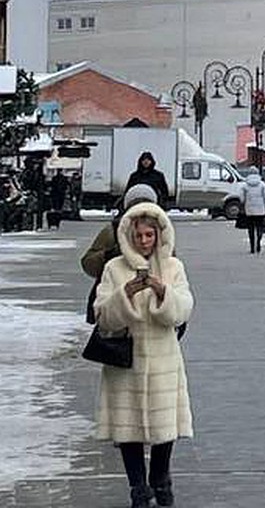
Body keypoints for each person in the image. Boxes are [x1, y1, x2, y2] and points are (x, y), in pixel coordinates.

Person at [94, 201, 193, 508]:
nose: (144, 242)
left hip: (164, 356)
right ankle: (138, 487)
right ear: (128, 235)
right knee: (129, 428)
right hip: (126, 360)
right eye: (138, 236)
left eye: (150, 235)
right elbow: (102, 316)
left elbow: (184, 309)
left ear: (160, 234)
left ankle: (160, 478)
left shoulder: (173, 267)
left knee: (166, 427)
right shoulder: (114, 268)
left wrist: (163, 292)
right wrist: (127, 294)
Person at [82, 185, 160, 320]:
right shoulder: (113, 230)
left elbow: (171, 265)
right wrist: (109, 255)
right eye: (135, 204)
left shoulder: (161, 231)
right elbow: (88, 263)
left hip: (152, 304)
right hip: (118, 302)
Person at [239, 165, 265, 254]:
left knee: (251, 229)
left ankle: (252, 247)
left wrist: (243, 205)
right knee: (259, 227)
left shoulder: (245, 185)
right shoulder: (262, 184)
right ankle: (258, 242)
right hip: (260, 210)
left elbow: (241, 198)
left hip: (249, 210)